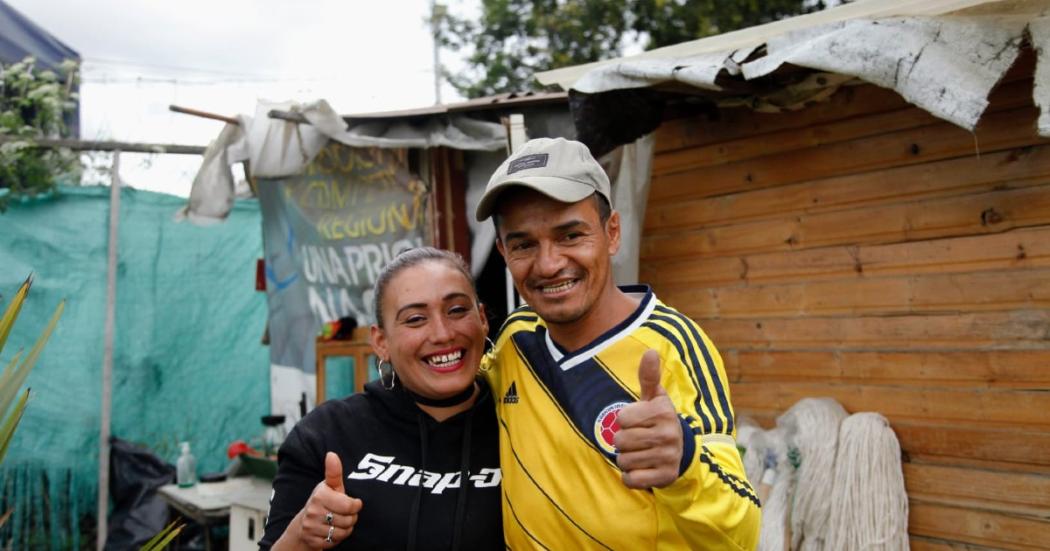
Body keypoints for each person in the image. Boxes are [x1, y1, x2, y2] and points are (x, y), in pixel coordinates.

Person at [474, 137, 762, 550]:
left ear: (612, 233)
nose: (549, 263)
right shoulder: (515, 338)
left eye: (571, 235)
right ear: (502, 251)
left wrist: (685, 466)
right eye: (524, 244)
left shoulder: (672, 347)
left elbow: (743, 535)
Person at [259, 247, 503, 550]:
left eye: (456, 310)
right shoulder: (326, 434)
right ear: (381, 342)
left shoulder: (521, 422)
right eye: (415, 319)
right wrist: (301, 537)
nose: (442, 334)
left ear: (481, 319)